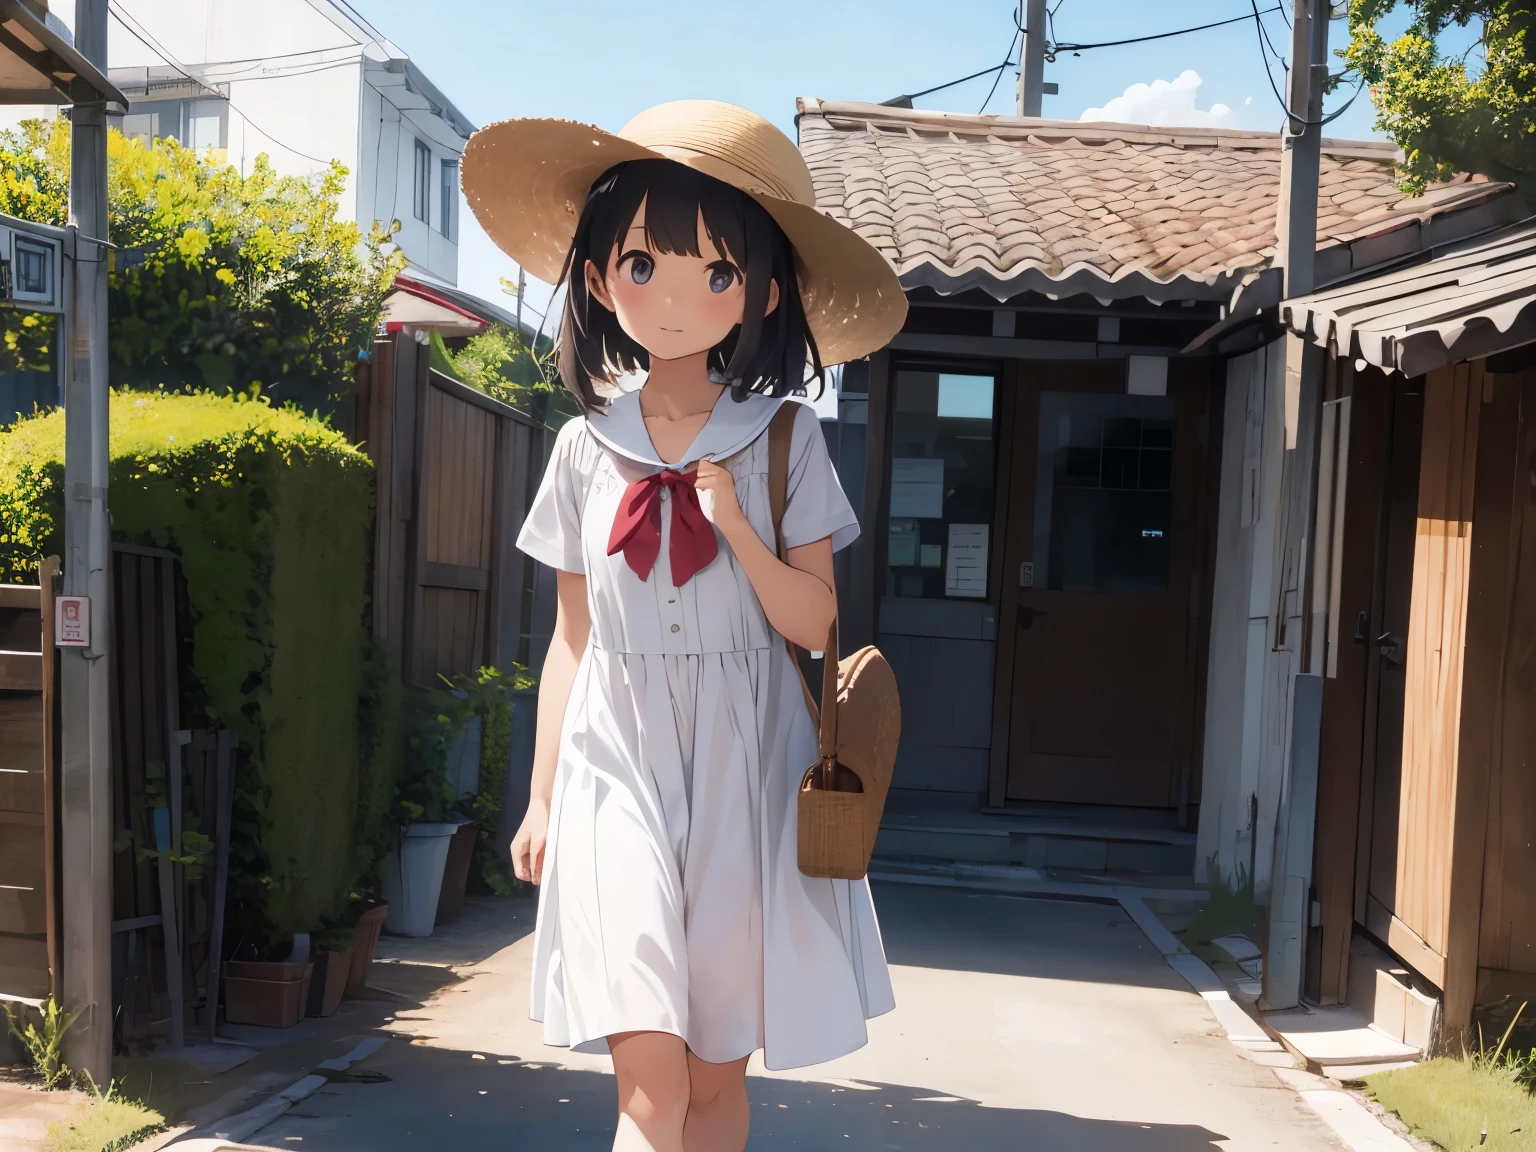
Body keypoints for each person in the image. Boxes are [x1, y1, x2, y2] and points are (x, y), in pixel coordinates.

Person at [461, 100, 907, 1152]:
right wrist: (540, 796)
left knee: (712, 1086)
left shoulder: (785, 437)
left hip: (747, 758)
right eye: (642, 263)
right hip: (614, 754)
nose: (672, 297)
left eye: (714, 273)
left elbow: (815, 618)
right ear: (598, 277)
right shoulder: (582, 449)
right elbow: (572, 640)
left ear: (757, 295)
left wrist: (737, 528)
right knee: (648, 1082)